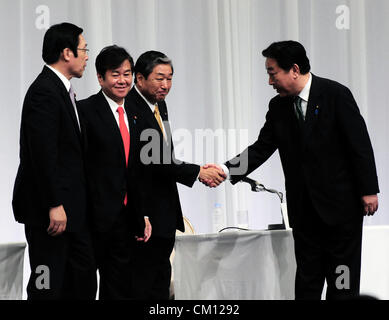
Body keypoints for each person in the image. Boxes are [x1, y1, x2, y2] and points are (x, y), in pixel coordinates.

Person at [220, 40, 379, 300]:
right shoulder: (278, 107)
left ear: (294, 69)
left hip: (341, 209)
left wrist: (369, 190)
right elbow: (262, 147)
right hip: (304, 211)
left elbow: (359, 145)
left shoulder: (335, 95)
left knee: (342, 279)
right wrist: (227, 171)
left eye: (272, 73)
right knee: (307, 278)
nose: (270, 81)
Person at [127, 50, 226, 299]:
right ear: (139, 78)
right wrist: (198, 172)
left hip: (165, 213)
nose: (166, 85)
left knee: (161, 281)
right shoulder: (128, 108)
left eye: (170, 78)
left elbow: (165, 156)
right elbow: (154, 160)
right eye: (159, 78)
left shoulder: (160, 104)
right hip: (143, 214)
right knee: (143, 284)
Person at [12, 22, 96, 300]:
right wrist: (54, 204)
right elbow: (41, 154)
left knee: (79, 283)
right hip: (51, 215)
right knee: (47, 285)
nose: (87, 56)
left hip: (73, 213)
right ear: (67, 53)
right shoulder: (44, 92)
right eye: (83, 49)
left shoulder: (63, 91)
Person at [77, 45, 151, 300]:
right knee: (84, 286)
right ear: (100, 78)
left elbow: (138, 169)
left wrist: (142, 213)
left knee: (119, 288)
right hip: (91, 217)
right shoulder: (84, 110)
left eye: (127, 73)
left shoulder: (138, 113)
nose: (123, 80)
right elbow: (79, 166)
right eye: (115, 74)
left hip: (126, 218)